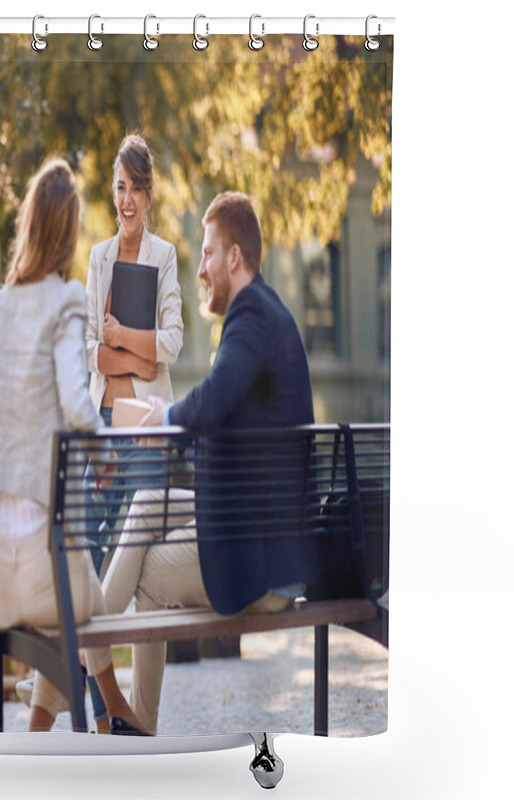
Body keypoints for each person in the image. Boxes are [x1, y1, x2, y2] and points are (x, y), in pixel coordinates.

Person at [100, 191, 319, 734]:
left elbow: (215, 397)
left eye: (206, 255)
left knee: (146, 578)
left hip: (260, 564)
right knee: (148, 500)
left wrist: (164, 418)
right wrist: (168, 415)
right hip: (254, 529)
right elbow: (224, 412)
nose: (199, 270)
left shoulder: (252, 319)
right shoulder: (263, 314)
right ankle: (94, 680)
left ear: (234, 258)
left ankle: (103, 687)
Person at [0, 158, 148, 735]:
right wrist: (102, 456)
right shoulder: (66, 300)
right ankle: (110, 710)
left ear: (27, 225)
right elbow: (77, 403)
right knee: (87, 595)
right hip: (49, 576)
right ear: (69, 232)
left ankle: (70, 723)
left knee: (79, 587)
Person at [82, 133, 184, 731]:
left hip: (146, 428)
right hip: (104, 427)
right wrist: (133, 358)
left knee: (145, 572)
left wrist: (122, 339)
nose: (127, 199)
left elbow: (169, 345)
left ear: (148, 195)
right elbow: (90, 353)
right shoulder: (97, 259)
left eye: (136, 189)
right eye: (119, 187)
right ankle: (103, 711)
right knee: (90, 554)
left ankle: (142, 717)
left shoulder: (164, 256)